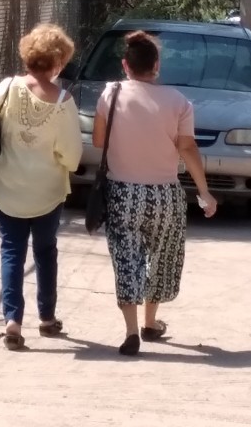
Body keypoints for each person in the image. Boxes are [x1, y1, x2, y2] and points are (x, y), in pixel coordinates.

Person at [92, 31, 217, 356]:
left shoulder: (111, 94)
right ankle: (151, 322)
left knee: (126, 259)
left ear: (125, 65)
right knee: (161, 258)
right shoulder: (178, 102)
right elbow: (188, 148)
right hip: (166, 196)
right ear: (156, 66)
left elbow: (97, 141)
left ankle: (132, 330)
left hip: (123, 194)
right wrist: (205, 193)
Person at [0, 23, 83, 351]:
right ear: (58, 61)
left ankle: (12, 320)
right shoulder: (64, 101)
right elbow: (73, 156)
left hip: (7, 186)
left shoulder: (8, 87)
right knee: (45, 251)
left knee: (11, 250)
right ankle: (47, 319)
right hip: (48, 192)